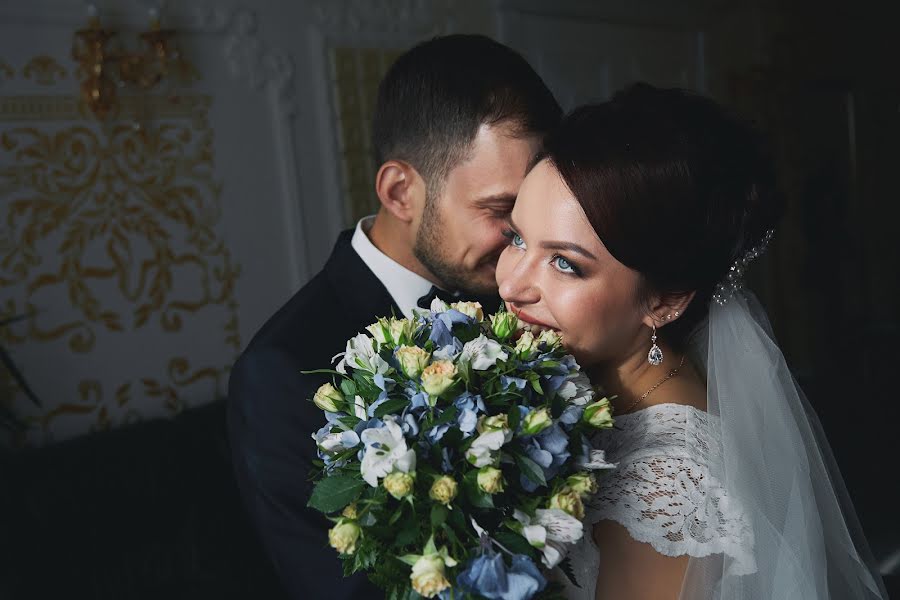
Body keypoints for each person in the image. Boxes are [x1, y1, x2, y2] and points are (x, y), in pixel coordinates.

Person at [495, 83, 887, 599]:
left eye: (565, 263)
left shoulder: (664, 487)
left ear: (664, 301)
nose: (512, 284)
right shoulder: (587, 391)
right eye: (517, 237)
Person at [227, 34, 561, 599]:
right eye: (501, 211)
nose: (523, 243)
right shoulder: (283, 369)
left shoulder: (520, 296)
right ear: (401, 191)